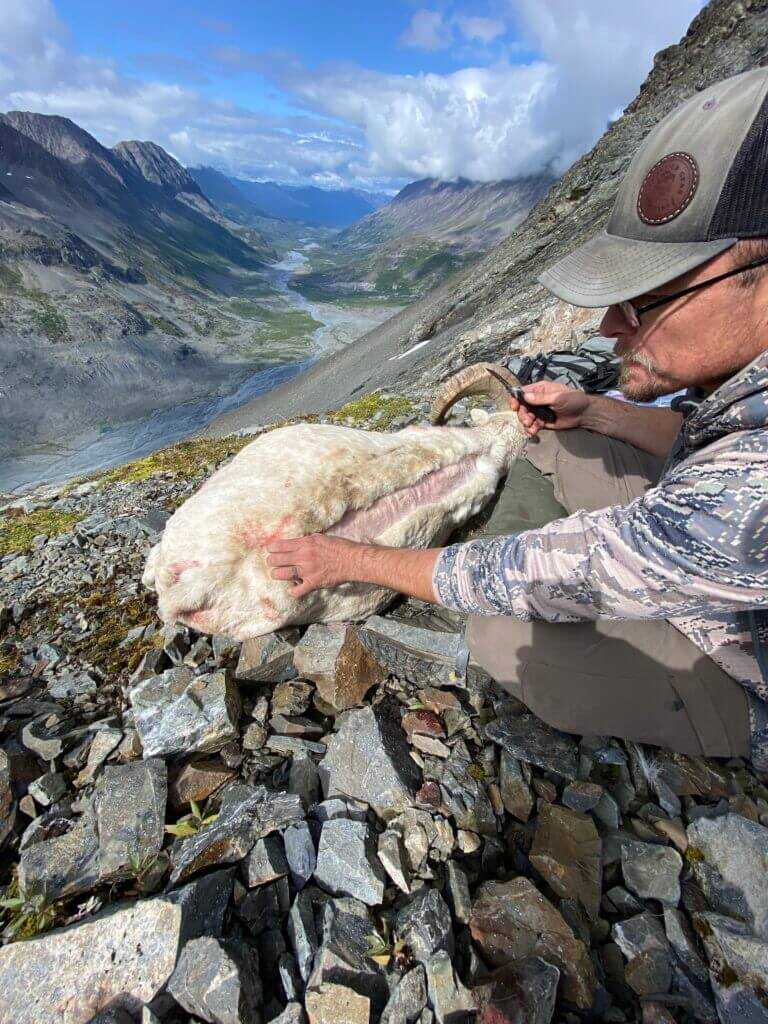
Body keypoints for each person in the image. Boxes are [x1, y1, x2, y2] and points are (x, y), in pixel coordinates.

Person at [266, 67, 768, 768]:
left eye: (646, 303)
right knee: (568, 444)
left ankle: (720, 728)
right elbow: (706, 437)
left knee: (506, 637)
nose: (611, 329)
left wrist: (348, 558)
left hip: (745, 669)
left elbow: (546, 574)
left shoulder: (750, 489)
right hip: (709, 570)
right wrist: (596, 411)